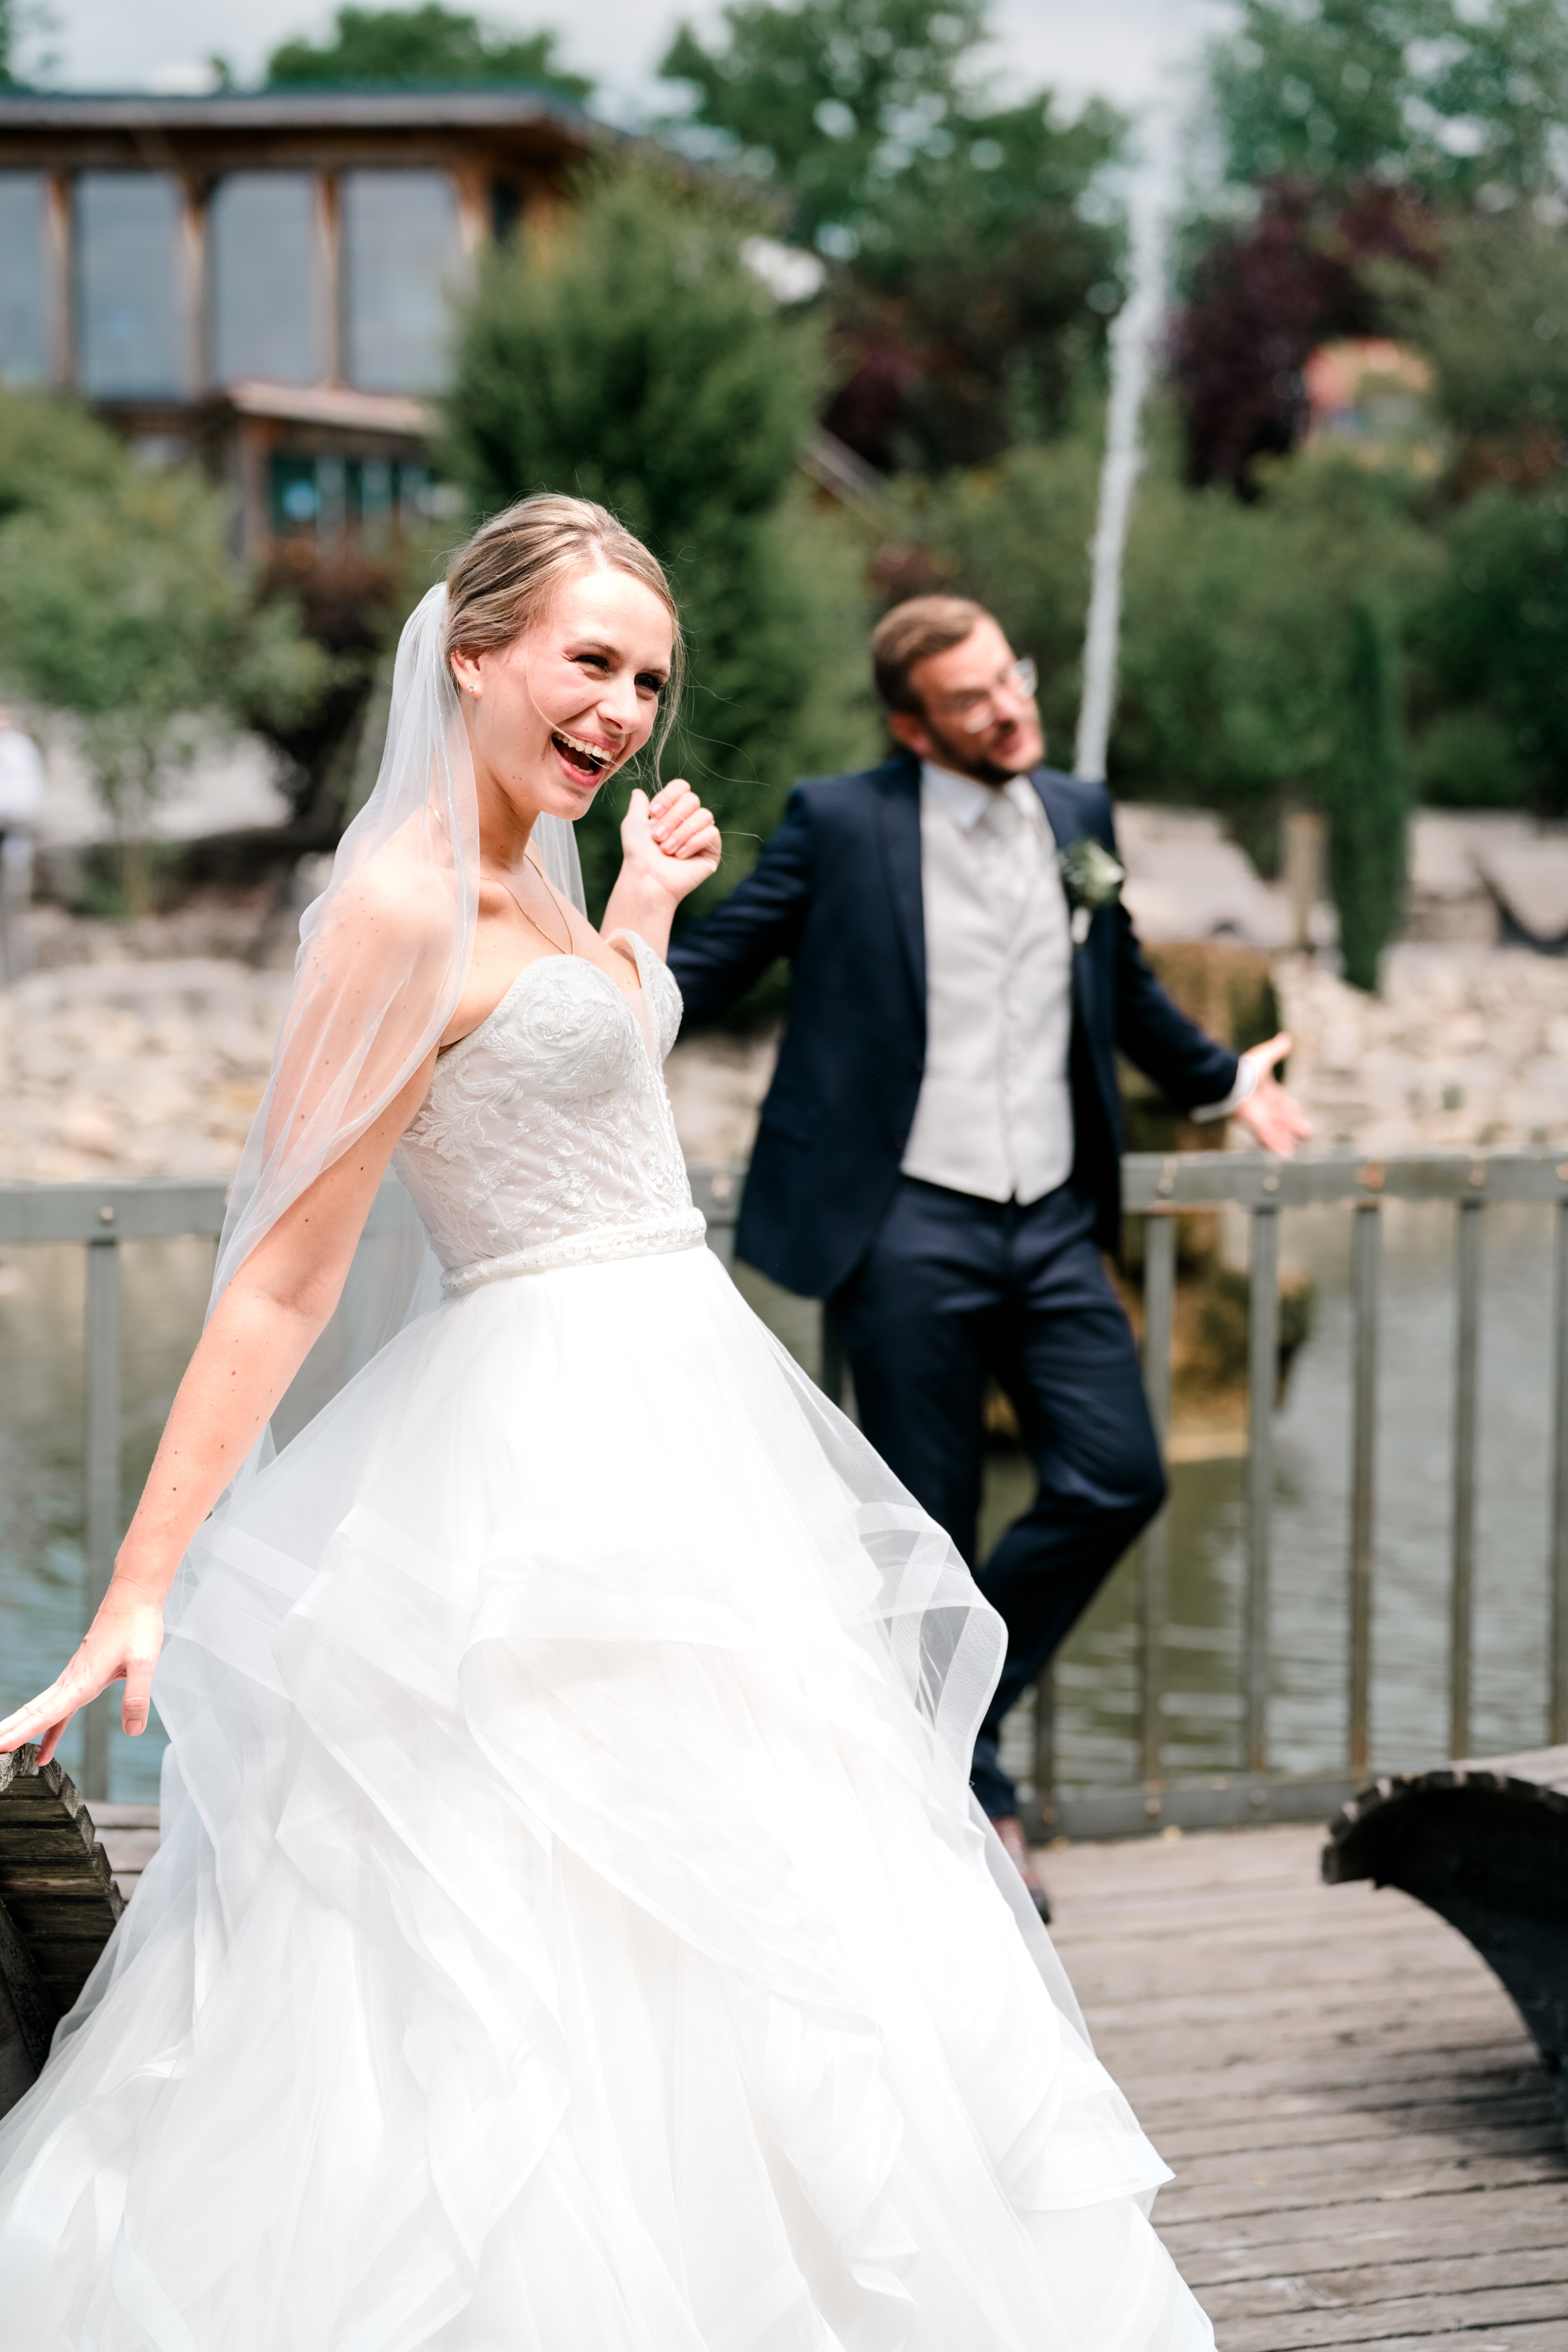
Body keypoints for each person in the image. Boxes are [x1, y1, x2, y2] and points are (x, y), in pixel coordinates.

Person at [0, 503, 1214, 2349]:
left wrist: (637, 918)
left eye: (648, 678)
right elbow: (282, 1278)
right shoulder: (397, 905)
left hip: (689, 1420)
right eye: (590, 662)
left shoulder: (541, 870)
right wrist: (140, 1584)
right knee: (526, 1908)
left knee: (774, 1890)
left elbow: (575, 1067)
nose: (626, 709)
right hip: (534, 1444)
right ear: (471, 649)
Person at [669, 596, 1310, 1912]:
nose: (1010, 708)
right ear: (914, 727)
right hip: (908, 1220)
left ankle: (933, 1718)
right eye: (973, 700)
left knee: (1120, 1478)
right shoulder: (841, 823)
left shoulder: (1076, 814)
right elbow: (717, 963)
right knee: (934, 1529)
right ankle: (979, 1797)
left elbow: (1120, 980)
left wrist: (1222, 1081)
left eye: (1010, 677)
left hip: (1055, 1219)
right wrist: (578, 999)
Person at [0, 704, 45, 983]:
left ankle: (16, 981)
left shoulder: (19, 750)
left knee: (11, 916)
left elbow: (26, 802)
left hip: (10, 844)